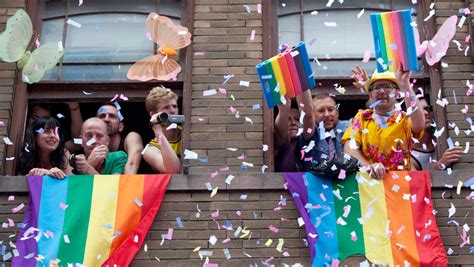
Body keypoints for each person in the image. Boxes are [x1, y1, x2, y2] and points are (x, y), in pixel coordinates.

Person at [343, 69, 425, 179]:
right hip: (370, 186)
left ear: (397, 93)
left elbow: (419, 124)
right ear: (371, 94)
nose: (382, 91)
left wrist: (405, 85)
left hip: (401, 186)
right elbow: (350, 148)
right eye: (376, 88)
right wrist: (369, 167)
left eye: (387, 87)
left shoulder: (404, 119)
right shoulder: (362, 118)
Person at [411, 97, 463, 170]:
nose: (425, 113)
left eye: (427, 108)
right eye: (418, 111)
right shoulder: (409, 157)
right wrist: (440, 165)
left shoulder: (441, 138)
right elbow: (417, 181)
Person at [96, 102, 143, 174]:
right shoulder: (90, 143)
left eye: (112, 116)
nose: (106, 119)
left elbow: (131, 166)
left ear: (121, 127)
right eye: (102, 116)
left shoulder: (131, 138)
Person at [143, 87, 181, 174]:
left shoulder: (187, 132)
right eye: (166, 107)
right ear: (153, 114)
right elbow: (173, 171)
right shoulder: (151, 150)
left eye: (175, 106)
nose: (172, 111)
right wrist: (158, 132)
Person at [274, 90, 314, 172]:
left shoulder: (309, 145)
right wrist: (283, 111)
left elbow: (308, 115)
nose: (293, 123)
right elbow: (283, 112)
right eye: (288, 119)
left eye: (297, 119)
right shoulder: (279, 145)